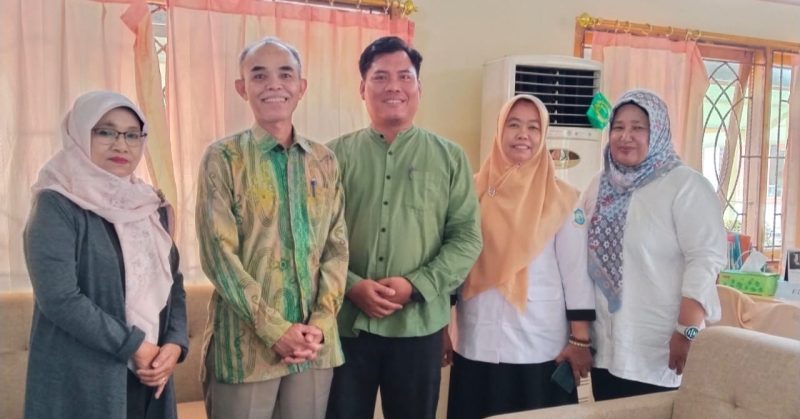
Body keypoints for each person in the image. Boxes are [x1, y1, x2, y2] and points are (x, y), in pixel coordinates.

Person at [325, 36, 483, 419]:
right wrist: (351, 285)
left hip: (419, 327)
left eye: (404, 76)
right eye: (380, 77)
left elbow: (466, 238)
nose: (393, 86)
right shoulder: (330, 158)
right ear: (362, 88)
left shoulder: (450, 158)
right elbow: (312, 238)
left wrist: (416, 285)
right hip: (345, 325)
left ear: (419, 88)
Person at [195, 37, 348, 419]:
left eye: (285, 74)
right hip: (246, 348)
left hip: (314, 346)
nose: (273, 85)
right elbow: (219, 255)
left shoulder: (324, 161)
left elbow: (337, 247)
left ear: (301, 86)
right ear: (242, 87)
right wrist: (274, 330)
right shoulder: (223, 158)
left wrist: (321, 322)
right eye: (259, 75)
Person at [23, 91, 188, 419]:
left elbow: (174, 284)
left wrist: (174, 344)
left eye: (132, 135)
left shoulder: (150, 206)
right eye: (106, 131)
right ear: (80, 133)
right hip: (82, 380)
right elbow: (60, 298)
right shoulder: (56, 204)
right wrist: (134, 346)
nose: (121, 145)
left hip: (150, 374)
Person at [445, 95, 596, 419]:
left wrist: (580, 340)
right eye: (513, 125)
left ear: (543, 136)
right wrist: (441, 328)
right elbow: (454, 262)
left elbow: (576, 275)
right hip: (476, 337)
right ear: (500, 131)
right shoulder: (470, 191)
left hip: (538, 344)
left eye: (533, 127)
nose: (523, 135)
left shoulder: (563, 200)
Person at [584, 89, 727, 401]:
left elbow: (705, 262)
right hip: (606, 351)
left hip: (661, 351)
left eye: (638, 128)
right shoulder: (599, 185)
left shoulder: (686, 186)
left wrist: (687, 332)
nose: (625, 136)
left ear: (658, 131)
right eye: (618, 127)